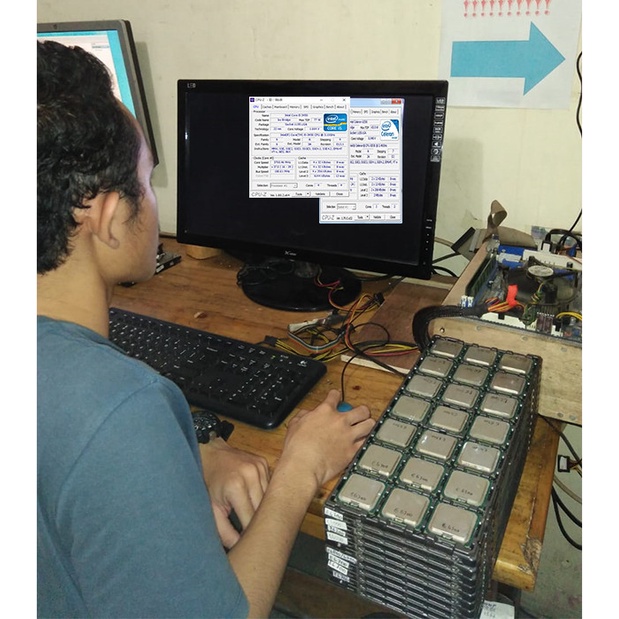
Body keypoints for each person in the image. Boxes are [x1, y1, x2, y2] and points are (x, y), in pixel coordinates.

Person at [37, 39, 375, 618]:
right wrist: (302, 468)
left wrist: (187, 452)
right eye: (147, 181)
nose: (153, 202)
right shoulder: (121, 408)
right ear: (109, 216)